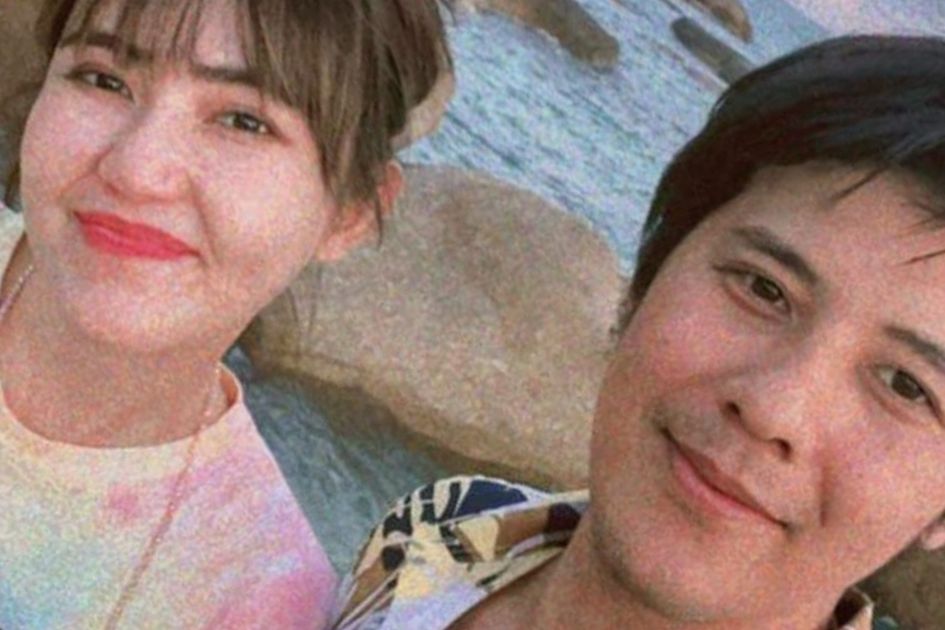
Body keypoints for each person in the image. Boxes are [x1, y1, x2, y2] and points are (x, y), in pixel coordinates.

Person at [331, 34, 945, 630]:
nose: (772, 409)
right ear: (645, 279)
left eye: (906, 386)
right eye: (763, 288)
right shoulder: (441, 533)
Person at [0, 0, 451, 627]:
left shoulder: (259, 601)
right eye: (104, 79)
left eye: (244, 121)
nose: (137, 169)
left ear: (349, 213)